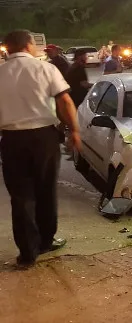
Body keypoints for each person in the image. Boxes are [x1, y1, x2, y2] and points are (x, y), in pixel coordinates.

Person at [0, 30, 81, 267]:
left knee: (21, 196)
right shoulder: (45, 69)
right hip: (43, 138)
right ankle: (46, 241)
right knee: (45, 190)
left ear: (7, 48)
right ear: (29, 45)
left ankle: (27, 253)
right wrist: (74, 130)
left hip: (12, 140)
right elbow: (64, 101)